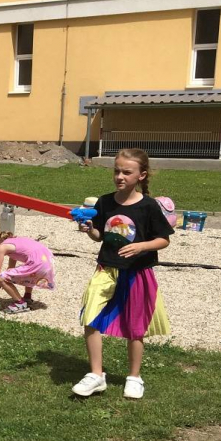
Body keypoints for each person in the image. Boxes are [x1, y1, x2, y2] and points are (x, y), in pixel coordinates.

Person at [73, 148, 173, 400]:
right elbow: (100, 235)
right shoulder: (105, 202)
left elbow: (163, 240)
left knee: (135, 327)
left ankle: (134, 377)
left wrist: (142, 246)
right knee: (90, 317)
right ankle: (96, 375)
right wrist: (89, 229)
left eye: (127, 172)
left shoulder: (149, 206)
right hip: (106, 268)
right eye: (117, 171)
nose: (120, 176)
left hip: (137, 272)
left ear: (141, 175)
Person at [0, 227, 56, 312]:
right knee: (27, 272)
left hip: (38, 264)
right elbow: (12, 265)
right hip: (48, 262)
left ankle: (20, 303)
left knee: (1, 277)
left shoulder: (2, 248)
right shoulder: (12, 240)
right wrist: (6, 280)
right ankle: (27, 297)